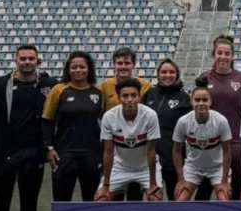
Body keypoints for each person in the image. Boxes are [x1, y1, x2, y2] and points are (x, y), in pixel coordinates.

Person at [0, 44, 57, 211]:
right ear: (16, 60)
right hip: (4, 152)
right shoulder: (1, 84)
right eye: (23, 58)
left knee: (29, 200)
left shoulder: (48, 84)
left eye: (31, 58)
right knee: (1, 200)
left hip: (34, 152)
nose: (27, 62)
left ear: (38, 60)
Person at [42, 52, 105, 203]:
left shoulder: (98, 91)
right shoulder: (58, 90)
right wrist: (49, 148)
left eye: (82, 67)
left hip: (91, 154)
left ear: (89, 69)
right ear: (68, 70)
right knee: (61, 200)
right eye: (74, 67)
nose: (78, 70)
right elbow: (46, 120)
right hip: (64, 153)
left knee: (91, 200)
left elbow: (106, 121)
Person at [143, 59, 206, 200]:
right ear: (157, 75)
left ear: (177, 74)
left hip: (173, 156)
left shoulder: (183, 97)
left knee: (175, 198)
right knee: (153, 197)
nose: (167, 75)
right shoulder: (150, 94)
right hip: (151, 156)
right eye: (163, 72)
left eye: (171, 72)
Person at [198, 35, 241, 198]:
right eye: (219, 53)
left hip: (235, 139)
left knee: (236, 183)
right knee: (205, 184)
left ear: (232, 56)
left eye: (226, 53)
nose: (223, 57)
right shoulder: (204, 77)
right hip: (210, 138)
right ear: (214, 54)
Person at [95, 78, 162, 202]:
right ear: (119, 98)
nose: (130, 99)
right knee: (101, 199)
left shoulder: (150, 115)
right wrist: (105, 185)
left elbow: (151, 151)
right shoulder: (109, 117)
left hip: (145, 168)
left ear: (139, 96)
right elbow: (108, 152)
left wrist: (153, 183)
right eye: (125, 96)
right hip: (120, 167)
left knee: (155, 199)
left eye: (133, 95)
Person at [171, 86, 233, 201]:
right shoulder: (183, 121)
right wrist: (181, 179)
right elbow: (176, 151)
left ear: (210, 102)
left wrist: (224, 181)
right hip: (193, 167)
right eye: (197, 100)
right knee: (180, 200)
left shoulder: (221, 121)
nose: (201, 103)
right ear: (191, 101)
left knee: (224, 199)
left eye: (204, 100)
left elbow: (227, 151)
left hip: (217, 167)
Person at [99, 47, 152, 112]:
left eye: (127, 63)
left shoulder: (145, 86)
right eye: (120, 63)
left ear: (134, 64)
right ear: (114, 65)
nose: (123, 66)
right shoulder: (105, 86)